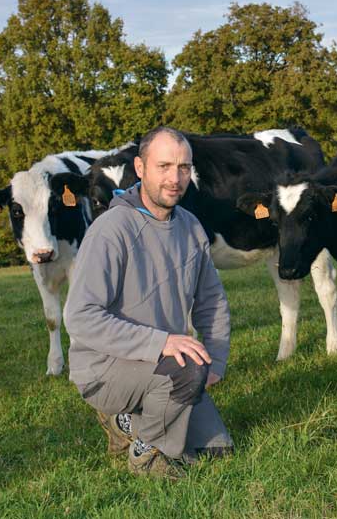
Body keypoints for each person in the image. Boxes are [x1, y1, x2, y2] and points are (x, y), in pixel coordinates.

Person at [64, 126, 232, 479]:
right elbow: (80, 316)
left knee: (217, 450)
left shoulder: (191, 227)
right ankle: (147, 451)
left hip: (161, 365)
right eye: (164, 166)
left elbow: (211, 299)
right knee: (188, 370)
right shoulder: (111, 229)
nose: (175, 178)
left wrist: (216, 358)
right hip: (105, 368)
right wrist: (163, 342)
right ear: (140, 168)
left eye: (184, 167)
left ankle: (125, 421)